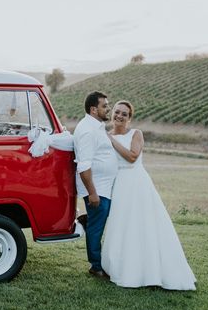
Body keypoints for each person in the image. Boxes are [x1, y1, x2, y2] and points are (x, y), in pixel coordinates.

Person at [101, 101, 196, 290]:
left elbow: (132, 157)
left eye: (124, 114)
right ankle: (120, 265)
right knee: (121, 225)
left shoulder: (135, 134)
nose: (119, 116)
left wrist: (110, 139)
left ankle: (150, 270)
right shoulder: (105, 135)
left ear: (130, 118)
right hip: (118, 184)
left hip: (136, 183)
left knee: (143, 224)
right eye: (117, 112)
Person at [73, 91, 118, 278]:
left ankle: (86, 220)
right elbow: (84, 165)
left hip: (103, 185)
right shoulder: (87, 130)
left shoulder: (96, 126)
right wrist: (92, 193)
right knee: (97, 227)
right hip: (97, 187)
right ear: (93, 109)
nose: (108, 109)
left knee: (98, 222)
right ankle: (96, 266)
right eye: (104, 106)